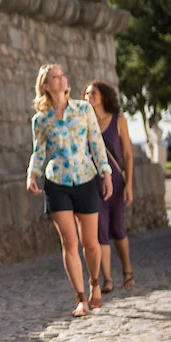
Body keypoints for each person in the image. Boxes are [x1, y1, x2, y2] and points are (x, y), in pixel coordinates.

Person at [27, 64, 113, 317]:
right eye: (55, 76)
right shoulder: (40, 120)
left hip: (86, 178)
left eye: (62, 75)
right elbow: (39, 151)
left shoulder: (84, 109)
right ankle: (80, 299)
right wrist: (32, 174)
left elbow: (96, 142)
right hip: (57, 183)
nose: (62, 78)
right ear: (46, 86)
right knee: (69, 242)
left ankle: (95, 282)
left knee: (91, 243)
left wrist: (105, 173)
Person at [84, 80, 135, 291]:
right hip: (94, 183)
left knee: (117, 228)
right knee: (101, 231)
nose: (89, 96)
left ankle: (127, 272)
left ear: (103, 95)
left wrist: (129, 184)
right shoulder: (85, 122)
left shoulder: (119, 120)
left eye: (93, 92)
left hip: (117, 181)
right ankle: (107, 279)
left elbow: (128, 154)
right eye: (86, 93)